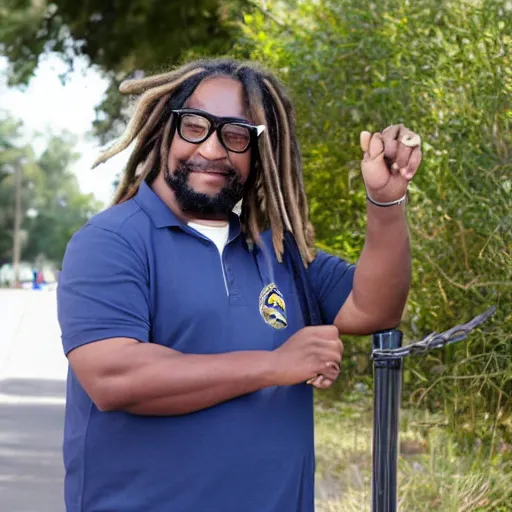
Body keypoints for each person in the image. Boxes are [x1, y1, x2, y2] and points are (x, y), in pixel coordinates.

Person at [57, 58, 421, 512]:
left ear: (259, 153)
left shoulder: (277, 252)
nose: (211, 150)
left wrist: (385, 202)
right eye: (195, 126)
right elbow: (115, 377)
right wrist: (276, 364)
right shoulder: (112, 240)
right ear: (165, 130)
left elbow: (376, 309)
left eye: (235, 135)